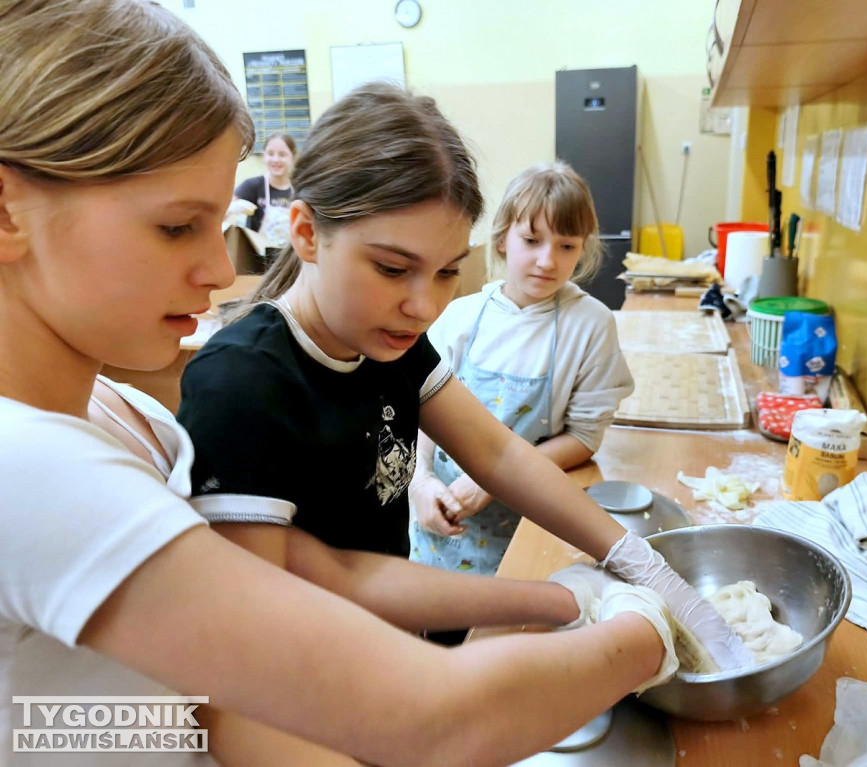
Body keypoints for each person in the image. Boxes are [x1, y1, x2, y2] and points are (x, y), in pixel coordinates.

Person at [0, 2, 686, 765]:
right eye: (174, 226)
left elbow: (281, 609)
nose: (225, 271)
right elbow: (290, 707)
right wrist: (652, 632)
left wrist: (595, 581)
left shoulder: (125, 414)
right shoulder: (32, 466)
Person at [176, 83, 753, 671]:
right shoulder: (241, 385)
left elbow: (498, 454)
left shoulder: (387, 342)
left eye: (448, 271)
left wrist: (635, 560)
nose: (424, 307)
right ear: (305, 233)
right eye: (393, 268)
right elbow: (310, 595)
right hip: (309, 680)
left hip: (389, 643)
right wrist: (564, 599)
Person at [408, 161, 633, 576]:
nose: (547, 260)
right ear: (501, 240)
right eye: (531, 240)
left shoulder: (590, 325)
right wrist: (420, 481)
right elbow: (421, 410)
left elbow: (583, 438)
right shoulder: (461, 317)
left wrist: (496, 480)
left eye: (566, 246)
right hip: (439, 520)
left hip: (529, 520)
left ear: (583, 248)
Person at [227, 131, 296, 249]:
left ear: (293, 156)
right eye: (270, 153)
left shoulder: (299, 189)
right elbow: (220, 215)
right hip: (258, 259)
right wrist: (232, 209)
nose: (275, 159)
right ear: (264, 155)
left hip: (290, 259)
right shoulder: (252, 186)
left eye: (282, 154)